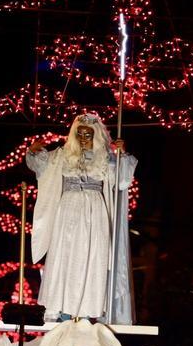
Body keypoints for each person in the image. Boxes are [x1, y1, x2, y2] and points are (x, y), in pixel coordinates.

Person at [26, 113, 137, 323]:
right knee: (64, 254)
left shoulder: (105, 158)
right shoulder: (63, 155)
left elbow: (122, 181)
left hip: (95, 210)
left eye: (88, 134)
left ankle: (87, 309)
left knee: (92, 255)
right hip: (68, 209)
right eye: (80, 133)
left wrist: (121, 154)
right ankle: (60, 308)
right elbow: (41, 166)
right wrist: (34, 152)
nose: (84, 137)